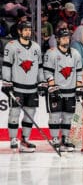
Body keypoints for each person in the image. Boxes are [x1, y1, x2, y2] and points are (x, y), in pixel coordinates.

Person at [1, 21, 47, 152]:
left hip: (32, 88)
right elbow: (7, 66)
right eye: (25, 30)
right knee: (14, 113)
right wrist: (6, 82)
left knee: (30, 114)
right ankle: (13, 139)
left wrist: (42, 82)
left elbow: (39, 67)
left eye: (29, 30)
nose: (28, 32)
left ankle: (25, 140)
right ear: (20, 31)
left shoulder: (36, 47)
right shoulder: (11, 46)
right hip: (17, 87)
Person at [43, 28, 83, 152]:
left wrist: (79, 87)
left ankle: (65, 139)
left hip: (70, 91)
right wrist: (52, 85)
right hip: (56, 90)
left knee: (68, 117)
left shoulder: (76, 53)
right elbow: (47, 71)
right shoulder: (51, 53)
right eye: (64, 38)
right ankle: (55, 139)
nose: (66, 40)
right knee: (54, 116)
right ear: (58, 39)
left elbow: (79, 72)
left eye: (67, 38)